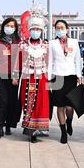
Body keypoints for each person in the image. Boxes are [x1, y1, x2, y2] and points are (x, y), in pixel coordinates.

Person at [13, 12, 50, 143]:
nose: (35, 32)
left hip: (42, 78)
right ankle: (30, 129)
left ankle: (41, 128)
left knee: (42, 103)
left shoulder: (46, 45)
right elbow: (17, 61)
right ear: (29, 30)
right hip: (27, 77)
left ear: (41, 31)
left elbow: (49, 62)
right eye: (33, 29)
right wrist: (15, 76)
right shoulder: (23, 45)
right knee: (27, 102)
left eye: (38, 29)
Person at [48, 20, 83, 144]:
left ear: (67, 28)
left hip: (71, 76)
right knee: (60, 105)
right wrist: (48, 78)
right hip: (57, 77)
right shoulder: (52, 43)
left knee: (69, 106)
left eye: (62, 27)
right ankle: (63, 132)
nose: (60, 30)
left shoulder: (74, 42)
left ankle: (69, 121)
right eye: (58, 28)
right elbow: (49, 61)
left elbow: (77, 60)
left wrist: (79, 75)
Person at [0, 18, 22, 138]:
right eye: (7, 25)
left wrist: (15, 76)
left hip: (13, 76)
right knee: (3, 100)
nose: (10, 27)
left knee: (12, 100)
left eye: (12, 26)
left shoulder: (18, 42)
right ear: (3, 26)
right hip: (0, 75)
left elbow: (19, 60)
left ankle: (8, 125)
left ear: (15, 28)